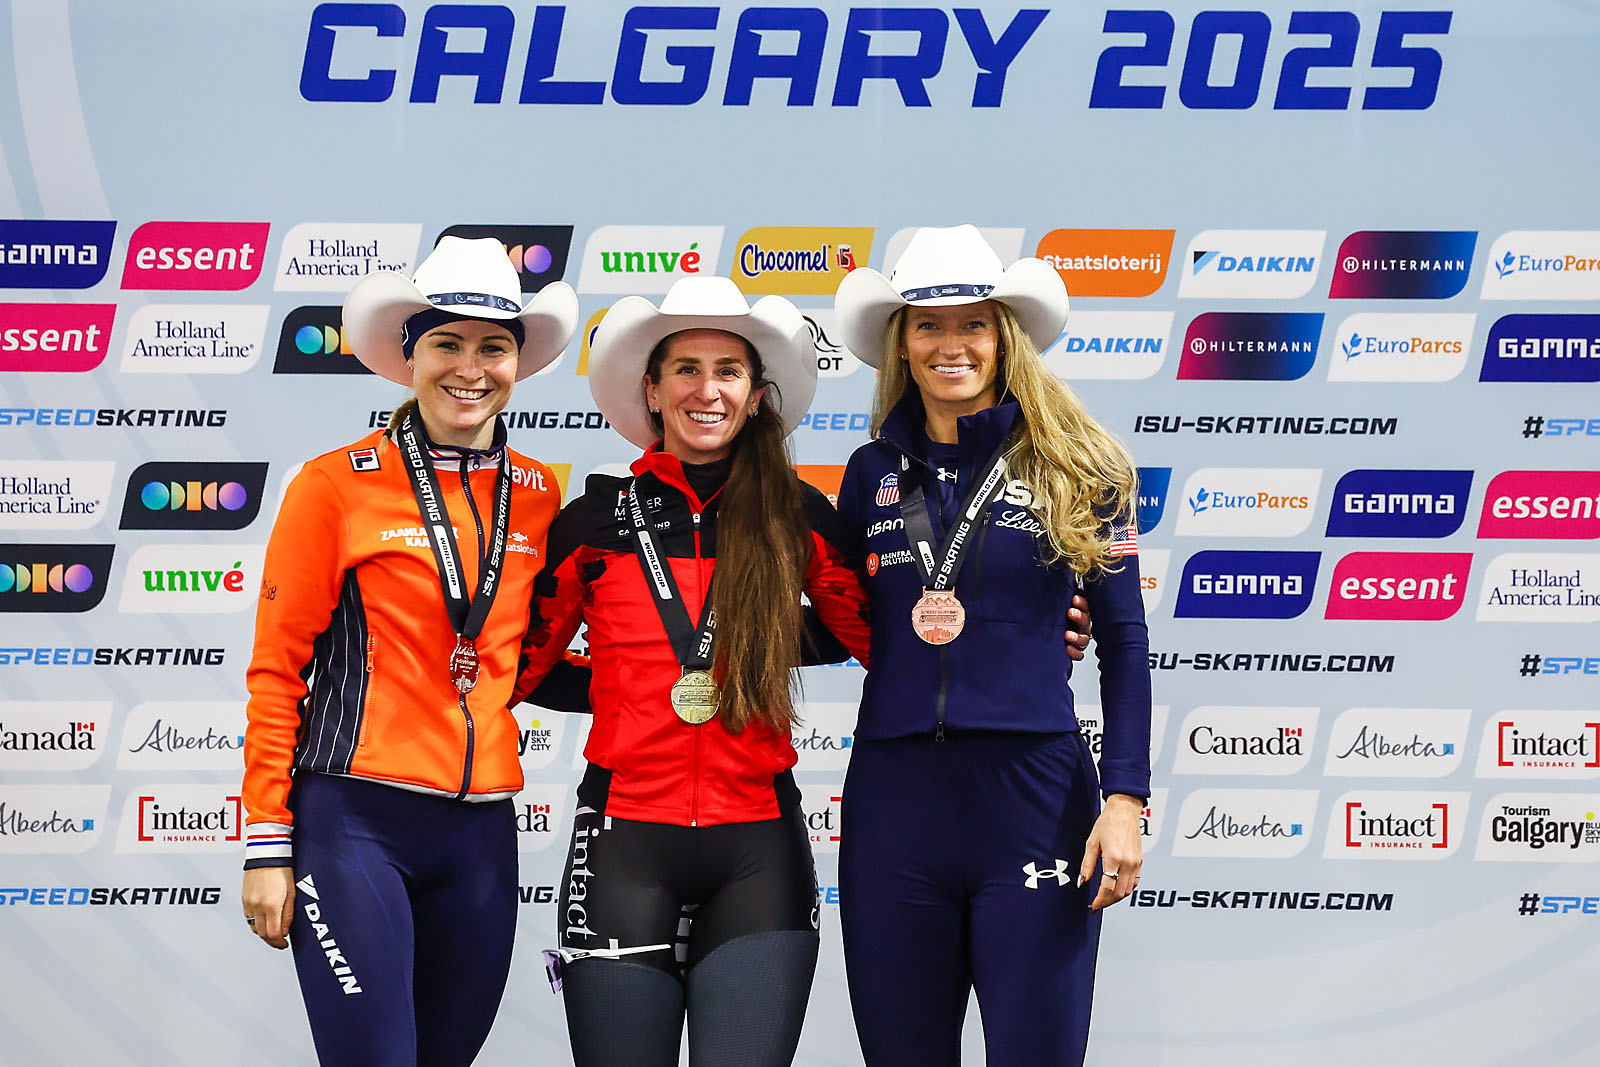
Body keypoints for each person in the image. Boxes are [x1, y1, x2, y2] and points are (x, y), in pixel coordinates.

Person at [511, 276, 872, 1067]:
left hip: (759, 853)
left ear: (754, 394)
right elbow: (519, 671)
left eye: (728, 371)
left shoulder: (799, 514)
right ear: (651, 387)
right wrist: (619, 684)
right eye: (685, 368)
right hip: (621, 845)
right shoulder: (593, 521)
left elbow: (880, 640)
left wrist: (1038, 627)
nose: (705, 389)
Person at [239, 237, 579, 1065]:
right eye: (447, 343)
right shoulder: (335, 483)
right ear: (410, 354)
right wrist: (264, 841)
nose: (471, 367)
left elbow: (531, 657)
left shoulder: (541, 494)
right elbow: (278, 669)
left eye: (493, 346)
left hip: (481, 835)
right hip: (354, 822)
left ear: (518, 361)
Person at [831, 224, 1152, 1067]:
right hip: (895, 806)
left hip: (1035, 801)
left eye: (973, 323)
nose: (951, 344)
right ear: (902, 340)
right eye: (929, 324)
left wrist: (1125, 798)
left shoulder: (1084, 466)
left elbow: (1121, 640)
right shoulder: (869, 472)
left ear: (1004, 335)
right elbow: (844, 615)